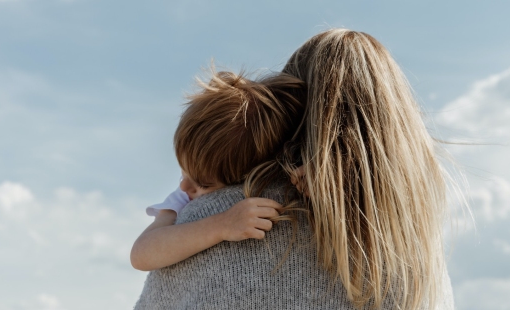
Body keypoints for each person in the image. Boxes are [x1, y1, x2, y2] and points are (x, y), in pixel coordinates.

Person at [135, 29, 454, 310]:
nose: (186, 187)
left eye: (201, 180)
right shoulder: (417, 250)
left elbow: (146, 256)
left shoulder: (213, 217)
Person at [130, 70, 305, 272]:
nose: (183, 186)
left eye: (203, 183)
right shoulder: (181, 200)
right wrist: (221, 225)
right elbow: (141, 254)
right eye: (184, 171)